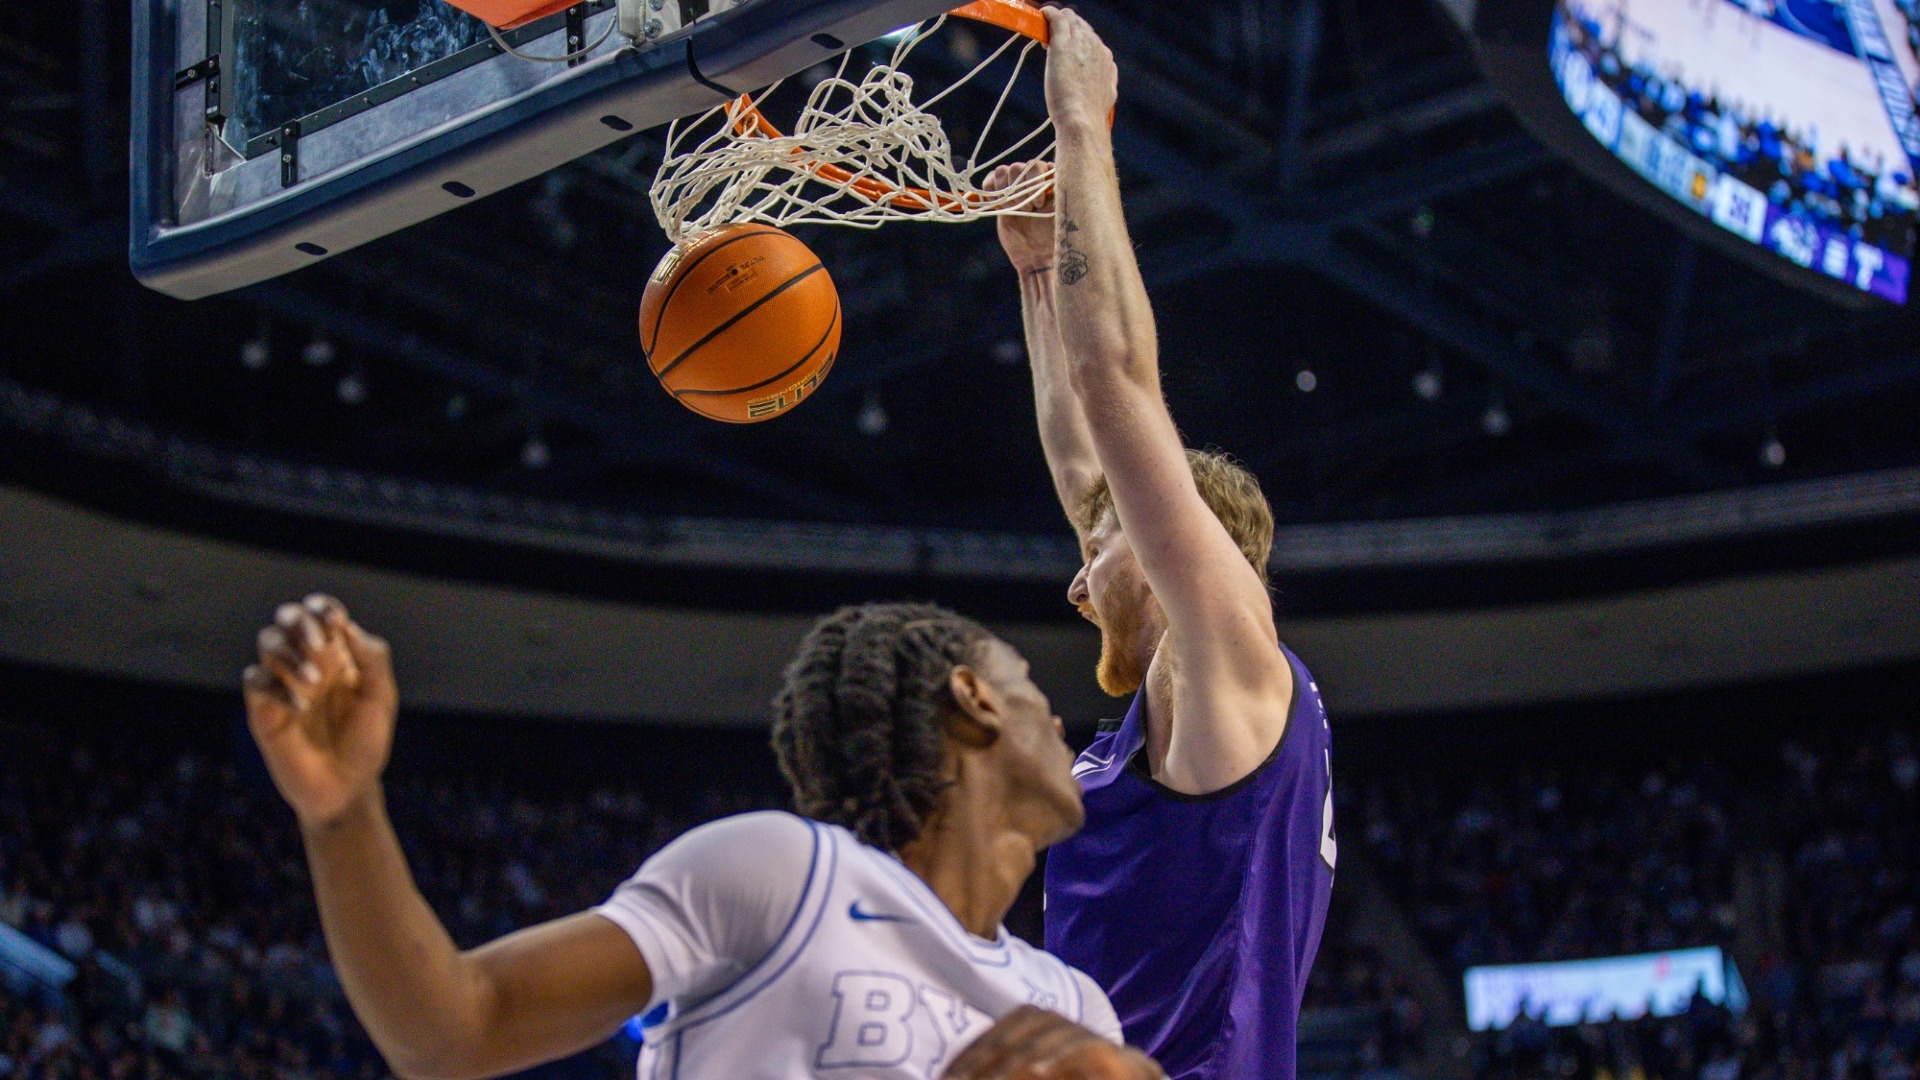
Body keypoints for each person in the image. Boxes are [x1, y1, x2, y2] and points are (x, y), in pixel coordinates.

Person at [243, 594, 1162, 1079]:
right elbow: (456, 1028)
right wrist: (342, 814)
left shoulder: (1075, 1007)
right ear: (974, 697)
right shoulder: (788, 871)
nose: (1062, 715)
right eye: (1032, 681)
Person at [983, 9, 1336, 1078]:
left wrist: (1086, 126)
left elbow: (1116, 391)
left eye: (1101, 544)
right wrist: (1040, 277)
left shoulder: (1232, 662)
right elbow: (1086, 444)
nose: (1075, 585)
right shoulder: (1177, 709)